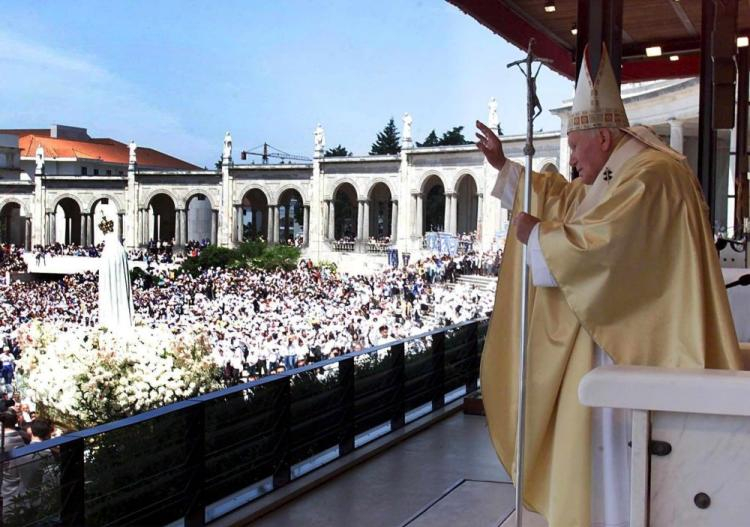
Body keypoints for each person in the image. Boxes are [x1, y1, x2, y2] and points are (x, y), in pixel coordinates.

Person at [476, 43, 741, 527]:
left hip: (642, 349)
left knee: (623, 467)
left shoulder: (653, 173)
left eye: (575, 148)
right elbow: (571, 197)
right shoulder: (624, 168)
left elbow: (607, 244)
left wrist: (538, 235)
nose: (572, 159)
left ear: (601, 137)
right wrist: (505, 170)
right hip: (622, 347)